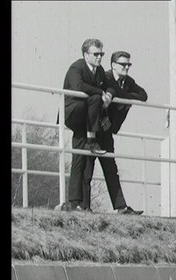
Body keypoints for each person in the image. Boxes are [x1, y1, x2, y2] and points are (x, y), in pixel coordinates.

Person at [79, 50, 148, 214]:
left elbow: (143, 95)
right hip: (95, 128)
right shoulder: (107, 77)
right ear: (113, 65)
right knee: (87, 167)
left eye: (128, 64)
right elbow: (110, 93)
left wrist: (124, 95)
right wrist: (123, 95)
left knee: (111, 168)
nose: (126, 68)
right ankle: (84, 206)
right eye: (123, 64)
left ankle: (121, 207)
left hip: (108, 130)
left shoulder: (128, 81)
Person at [59, 38, 116, 211]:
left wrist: (109, 95)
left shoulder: (99, 71)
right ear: (86, 55)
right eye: (96, 54)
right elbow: (78, 86)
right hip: (75, 114)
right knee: (95, 97)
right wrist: (101, 93)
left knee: (80, 158)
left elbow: (111, 86)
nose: (100, 57)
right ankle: (92, 139)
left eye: (102, 54)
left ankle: (78, 202)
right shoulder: (77, 67)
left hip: (88, 120)